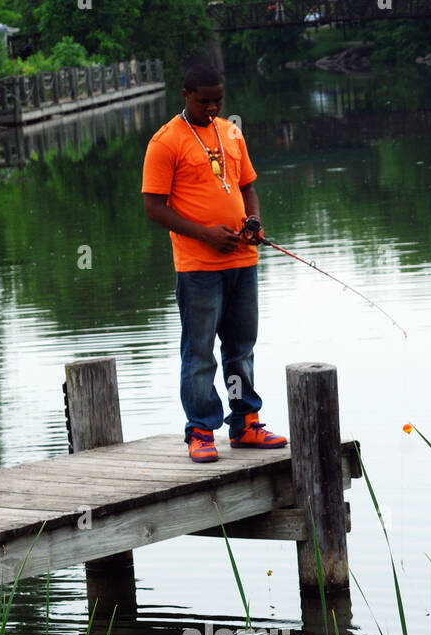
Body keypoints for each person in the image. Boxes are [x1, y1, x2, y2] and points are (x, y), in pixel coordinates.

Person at [141, 62, 287, 462]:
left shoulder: (231, 132)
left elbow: (247, 187)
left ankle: (246, 424)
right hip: (198, 267)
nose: (212, 107)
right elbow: (153, 207)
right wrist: (205, 233)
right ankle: (201, 429)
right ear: (185, 96)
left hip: (243, 259)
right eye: (204, 101)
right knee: (200, 350)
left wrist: (253, 222)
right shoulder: (165, 141)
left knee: (241, 347)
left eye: (218, 100)